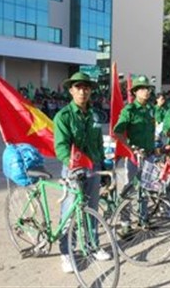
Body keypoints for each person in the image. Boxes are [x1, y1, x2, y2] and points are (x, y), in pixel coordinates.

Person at [53, 72, 110, 273]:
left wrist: (104, 164)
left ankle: (92, 246)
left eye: (86, 88)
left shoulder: (94, 115)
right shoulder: (64, 116)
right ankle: (66, 252)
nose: (83, 91)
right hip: (73, 169)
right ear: (71, 90)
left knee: (92, 209)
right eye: (78, 87)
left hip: (93, 167)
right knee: (69, 211)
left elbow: (98, 142)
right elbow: (60, 146)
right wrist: (72, 164)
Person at [113, 75, 155, 188]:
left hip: (150, 154)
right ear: (135, 92)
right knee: (132, 189)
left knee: (147, 187)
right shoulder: (129, 110)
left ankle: (144, 206)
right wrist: (130, 147)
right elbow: (117, 132)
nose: (146, 91)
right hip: (135, 156)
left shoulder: (151, 109)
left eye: (148, 89)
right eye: (142, 89)